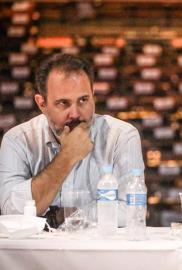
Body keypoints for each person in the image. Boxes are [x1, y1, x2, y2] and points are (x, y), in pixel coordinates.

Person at [0, 53, 145, 227]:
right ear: (42, 104)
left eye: (83, 100)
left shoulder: (122, 136)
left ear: (93, 95)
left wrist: (67, 216)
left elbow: (133, 211)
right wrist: (67, 157)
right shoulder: (17, 140)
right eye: (63, 103)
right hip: (38, 254)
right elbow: (11, 211)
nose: (75, 113)